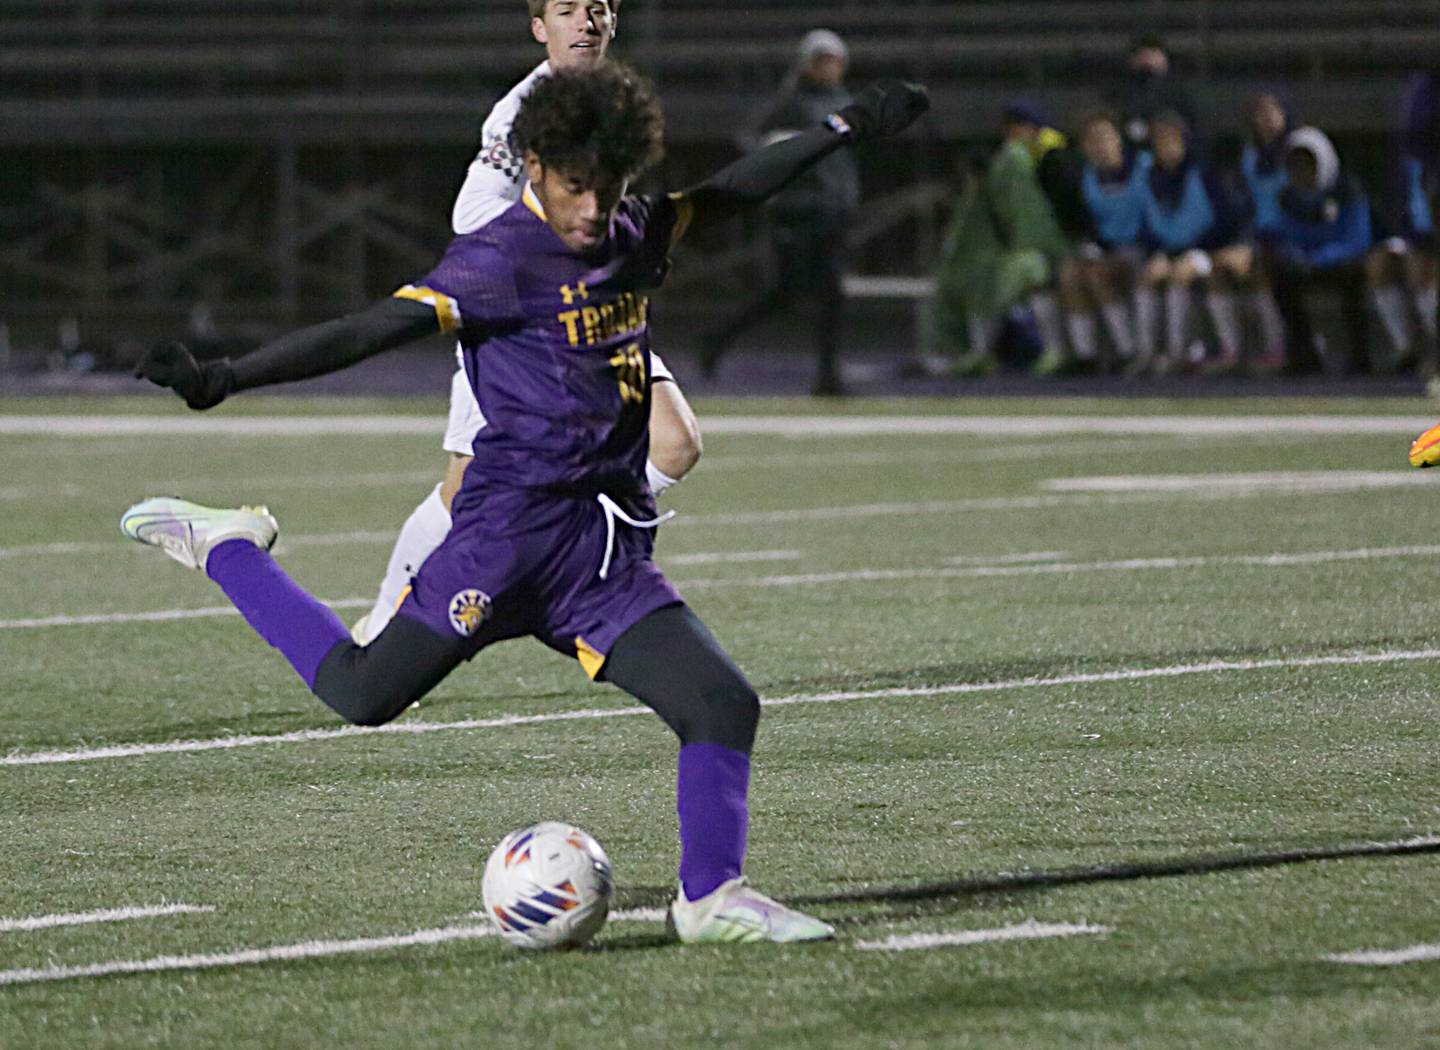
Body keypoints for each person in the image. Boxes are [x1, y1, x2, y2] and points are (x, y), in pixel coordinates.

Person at [125, 65, 929, 943]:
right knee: (361, 695)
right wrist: (226, 376)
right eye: (575, 188)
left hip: (597, 552)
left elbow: (730, 192)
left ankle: (710, 897)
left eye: (609, 187)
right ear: (537, 166)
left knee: (723, 703)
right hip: (501, 544)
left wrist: (845, 127)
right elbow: (365, 331)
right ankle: (228, 547)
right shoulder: (497, 259)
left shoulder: (632, 226)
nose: (592, 209)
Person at [353, 0, 703, 647]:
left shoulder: (610, 101)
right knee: (462, 494)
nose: (585, 22)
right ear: (541, 29)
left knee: (676, 442)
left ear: (614, 20)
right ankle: (384, 619)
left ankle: (583, 533)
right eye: (567, 10)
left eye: (596, 8)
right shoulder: (522, 112)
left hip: (596, 321)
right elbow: (473, 209)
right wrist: (546, 259)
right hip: (523, 325)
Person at [698, 30, 861, 395]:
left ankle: (828, 377)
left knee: (830, 294)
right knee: (787, 293)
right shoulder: (792, 101)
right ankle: (717, 338)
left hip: (831, 211)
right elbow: (750, 139)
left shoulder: (842, 101)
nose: (830, 69)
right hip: (799, 211)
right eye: (823, 61)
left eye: (834, 62)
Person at [934, 101, 1069, 374]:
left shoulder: (1016, 159)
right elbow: (1024, 216)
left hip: (998, 255)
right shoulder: (1016, 158)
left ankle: (980, 352)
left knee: (1013, 280)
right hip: (1005, 255)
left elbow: (1020, 215)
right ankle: (1041, 351)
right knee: (1023, 276)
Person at [1132, 111, 1242, 373]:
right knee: (1147, 277)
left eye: (1172, 140)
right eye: (1160, 142)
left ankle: (1179, 352)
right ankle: (1145, 352)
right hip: (1168, 251)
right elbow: (1147, 225)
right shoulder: (1149, 178)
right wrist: (1158, 253)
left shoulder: (1205, 174)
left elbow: (1225, 220)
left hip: (1206, 249)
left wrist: (1196, 251)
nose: (1166, 148)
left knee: (1181, 275)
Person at [1264, 126, 1374, 375]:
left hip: (1340, 261)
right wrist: (1299, 257)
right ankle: (1304, 354)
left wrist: (1323, 257)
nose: (1301, 172)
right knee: (1281, 276)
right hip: (1307, 263)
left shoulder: (1347, 190)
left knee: (1353, 277)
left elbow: (1358, 239)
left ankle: (1360, 356)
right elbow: (1288, 236)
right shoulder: (1289, 198)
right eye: (1295, 166)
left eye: (1307, 164)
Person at [1055, 111, 1148, 373]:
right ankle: (1086, 356)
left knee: (1099, 276)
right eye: (1092, 140)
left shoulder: (1143, 168)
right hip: (1108, 249)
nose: (1100, 145)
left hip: (1141, 248)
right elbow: (1088, 224)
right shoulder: (1088, 179)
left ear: (1118, 140)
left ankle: (1127, 351)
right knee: (1070, 274)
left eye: (1104, 137)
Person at [1234, 90, 1294, 371]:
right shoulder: (1250, 156)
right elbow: (1248, 204)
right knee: (1231, 268)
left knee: (1264, 271)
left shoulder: (1297, 151)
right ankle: (1231, 352)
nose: (1267, 119)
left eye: (1273, 112)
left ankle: (1279, 347)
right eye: (1261, 113)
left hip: (1292, 234)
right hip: (1260, 236)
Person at [1366, 147, 1439, 373]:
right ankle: (1406, 349)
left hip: (1432, 245)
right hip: (1413, 240)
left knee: (1424, 269)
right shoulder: (1406, 165)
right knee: (1379, 265)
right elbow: (1395, 215)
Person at [1110, 34, 1202, 153]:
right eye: (1142, 55)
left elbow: (1192, 124)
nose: (1148, 60)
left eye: (1153, 54)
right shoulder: (1121, 90)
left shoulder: (1181, 90)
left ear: (1165, 59)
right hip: (1133, 149)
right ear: (1132, 60)